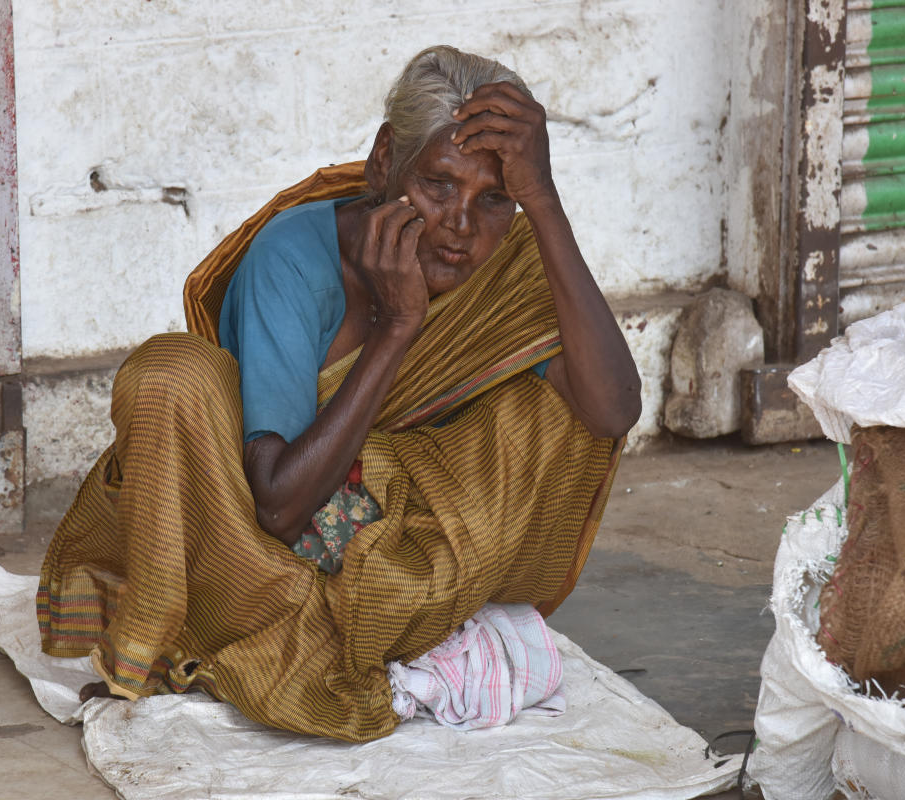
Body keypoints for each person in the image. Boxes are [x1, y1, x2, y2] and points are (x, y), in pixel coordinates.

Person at [37, 45, 641, 742]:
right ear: (386, 162)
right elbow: (279, 504)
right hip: (261, 551)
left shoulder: (508, 263)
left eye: (495, 198)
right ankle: (273, 636)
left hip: (398, 562)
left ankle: (335, 634)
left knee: (555, 406)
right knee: (172, 373)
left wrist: (544, 201)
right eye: (439, 185)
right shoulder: (295, 259)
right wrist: (396, 329)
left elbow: (613, 409)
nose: (461, 225)